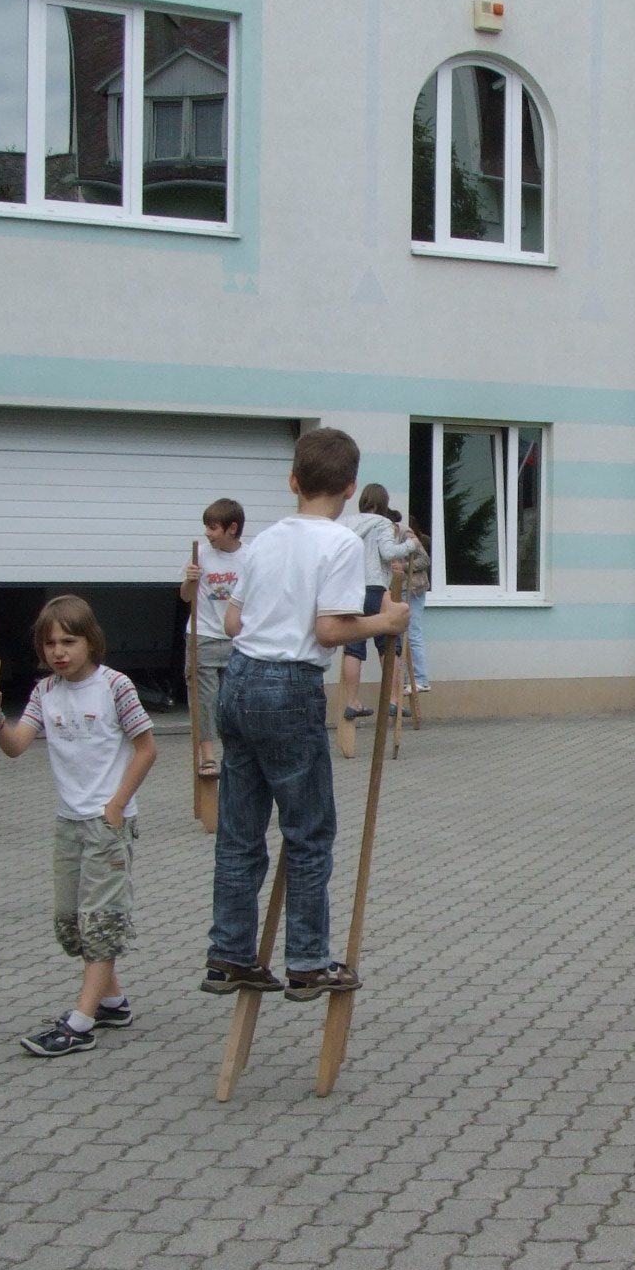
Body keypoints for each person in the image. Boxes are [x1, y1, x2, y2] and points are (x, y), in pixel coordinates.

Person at [204, 428, 407, 1002]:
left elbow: (233, 624)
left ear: (292, 481)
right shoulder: (340, 543)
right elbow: (329, 630)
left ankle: (229, 954)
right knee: (309, 832)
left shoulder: (264, 541)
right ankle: (308, 961)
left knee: (240, 831)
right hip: (289, 686)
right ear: (350, 487)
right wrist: (386, 622)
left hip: (239, 679)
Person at [0, 594, 157, 1057]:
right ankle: (112, 1003)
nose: (59, 652)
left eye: (69, 641)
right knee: (72, 922)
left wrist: (116, 805)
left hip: (107, 823)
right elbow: (16, 746)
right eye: (50, 644)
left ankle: (81, 1023)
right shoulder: (45, 692)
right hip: (68, 821)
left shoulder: (115, 685)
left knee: (101, 920)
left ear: (91, 641)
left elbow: (147, 749)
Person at [180, 499, 245, 782]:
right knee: (204, 699)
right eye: (206, 526)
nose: (207, 533)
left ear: (232, 528)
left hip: (237, 639)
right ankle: (207, 754)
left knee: (233, 700)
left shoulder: (250, 557)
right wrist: (190, 580)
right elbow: (185, 596)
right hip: (203, 636)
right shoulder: (201, 555)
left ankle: (234, 751)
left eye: (213, 527)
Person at [337, 481, 401, 752]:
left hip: (351, 590)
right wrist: (409, 546)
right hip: (375, 587)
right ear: (383, 504)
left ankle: (353, 701)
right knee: (388, 643)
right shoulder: (382, 523)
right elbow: (388, 553)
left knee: (353, 646)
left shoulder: (347, 523)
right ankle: (394, 699)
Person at [388, 510, 432, 698]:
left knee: (412, 633)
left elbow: (425, 560)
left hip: (414, 589)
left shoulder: (406, 534)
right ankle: (408, 680)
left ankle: (421, 679)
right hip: (398, 589)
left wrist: (404, 567)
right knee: (401, 636)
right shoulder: (385, 537)